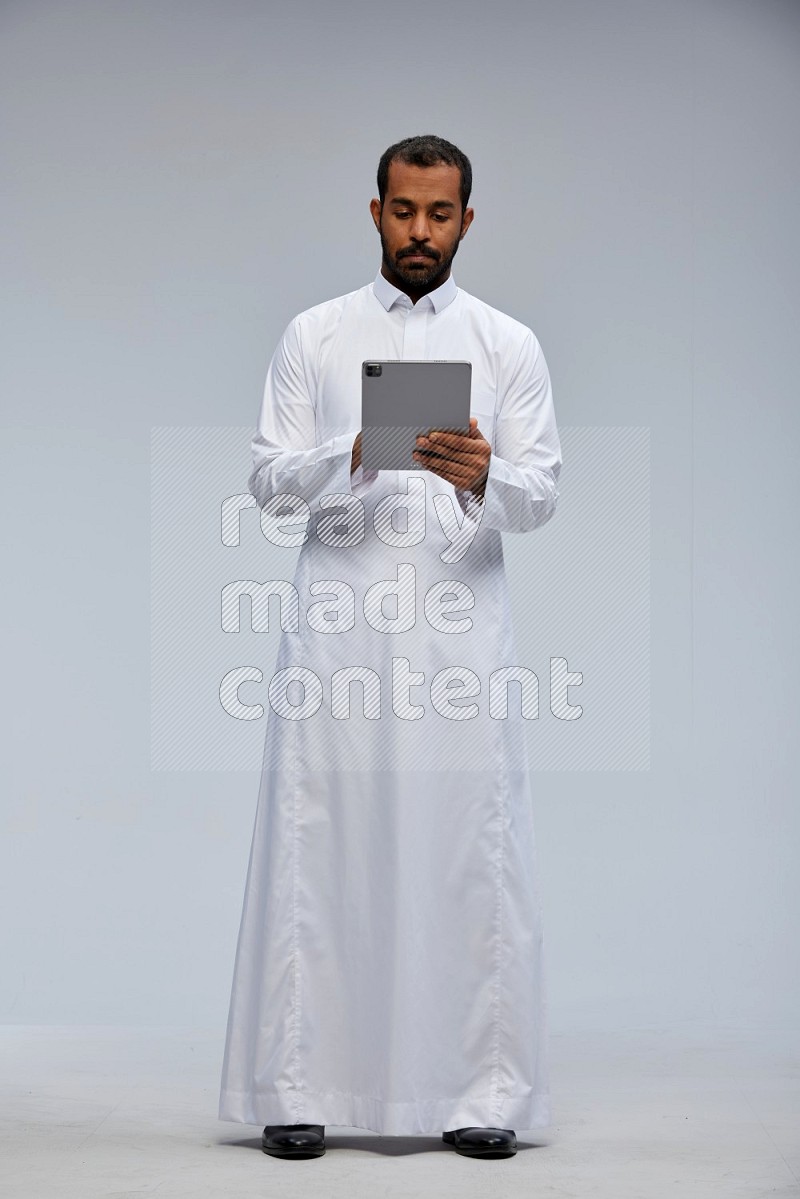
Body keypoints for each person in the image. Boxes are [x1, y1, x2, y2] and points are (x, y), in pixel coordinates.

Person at [219, 134, 562, 1161]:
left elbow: (540, 494)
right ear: (373, 213)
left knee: (470, 850)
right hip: (337, 632)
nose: (420, 231)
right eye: (403, 210)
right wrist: (352, 449)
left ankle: (477, 1092)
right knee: (319, 844)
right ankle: (298, 1084)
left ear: (465, 220)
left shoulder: (509, 344)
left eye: (439, 213)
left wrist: (478, 471)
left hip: (460, 639)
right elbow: (268, 483)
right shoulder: (314, 336)